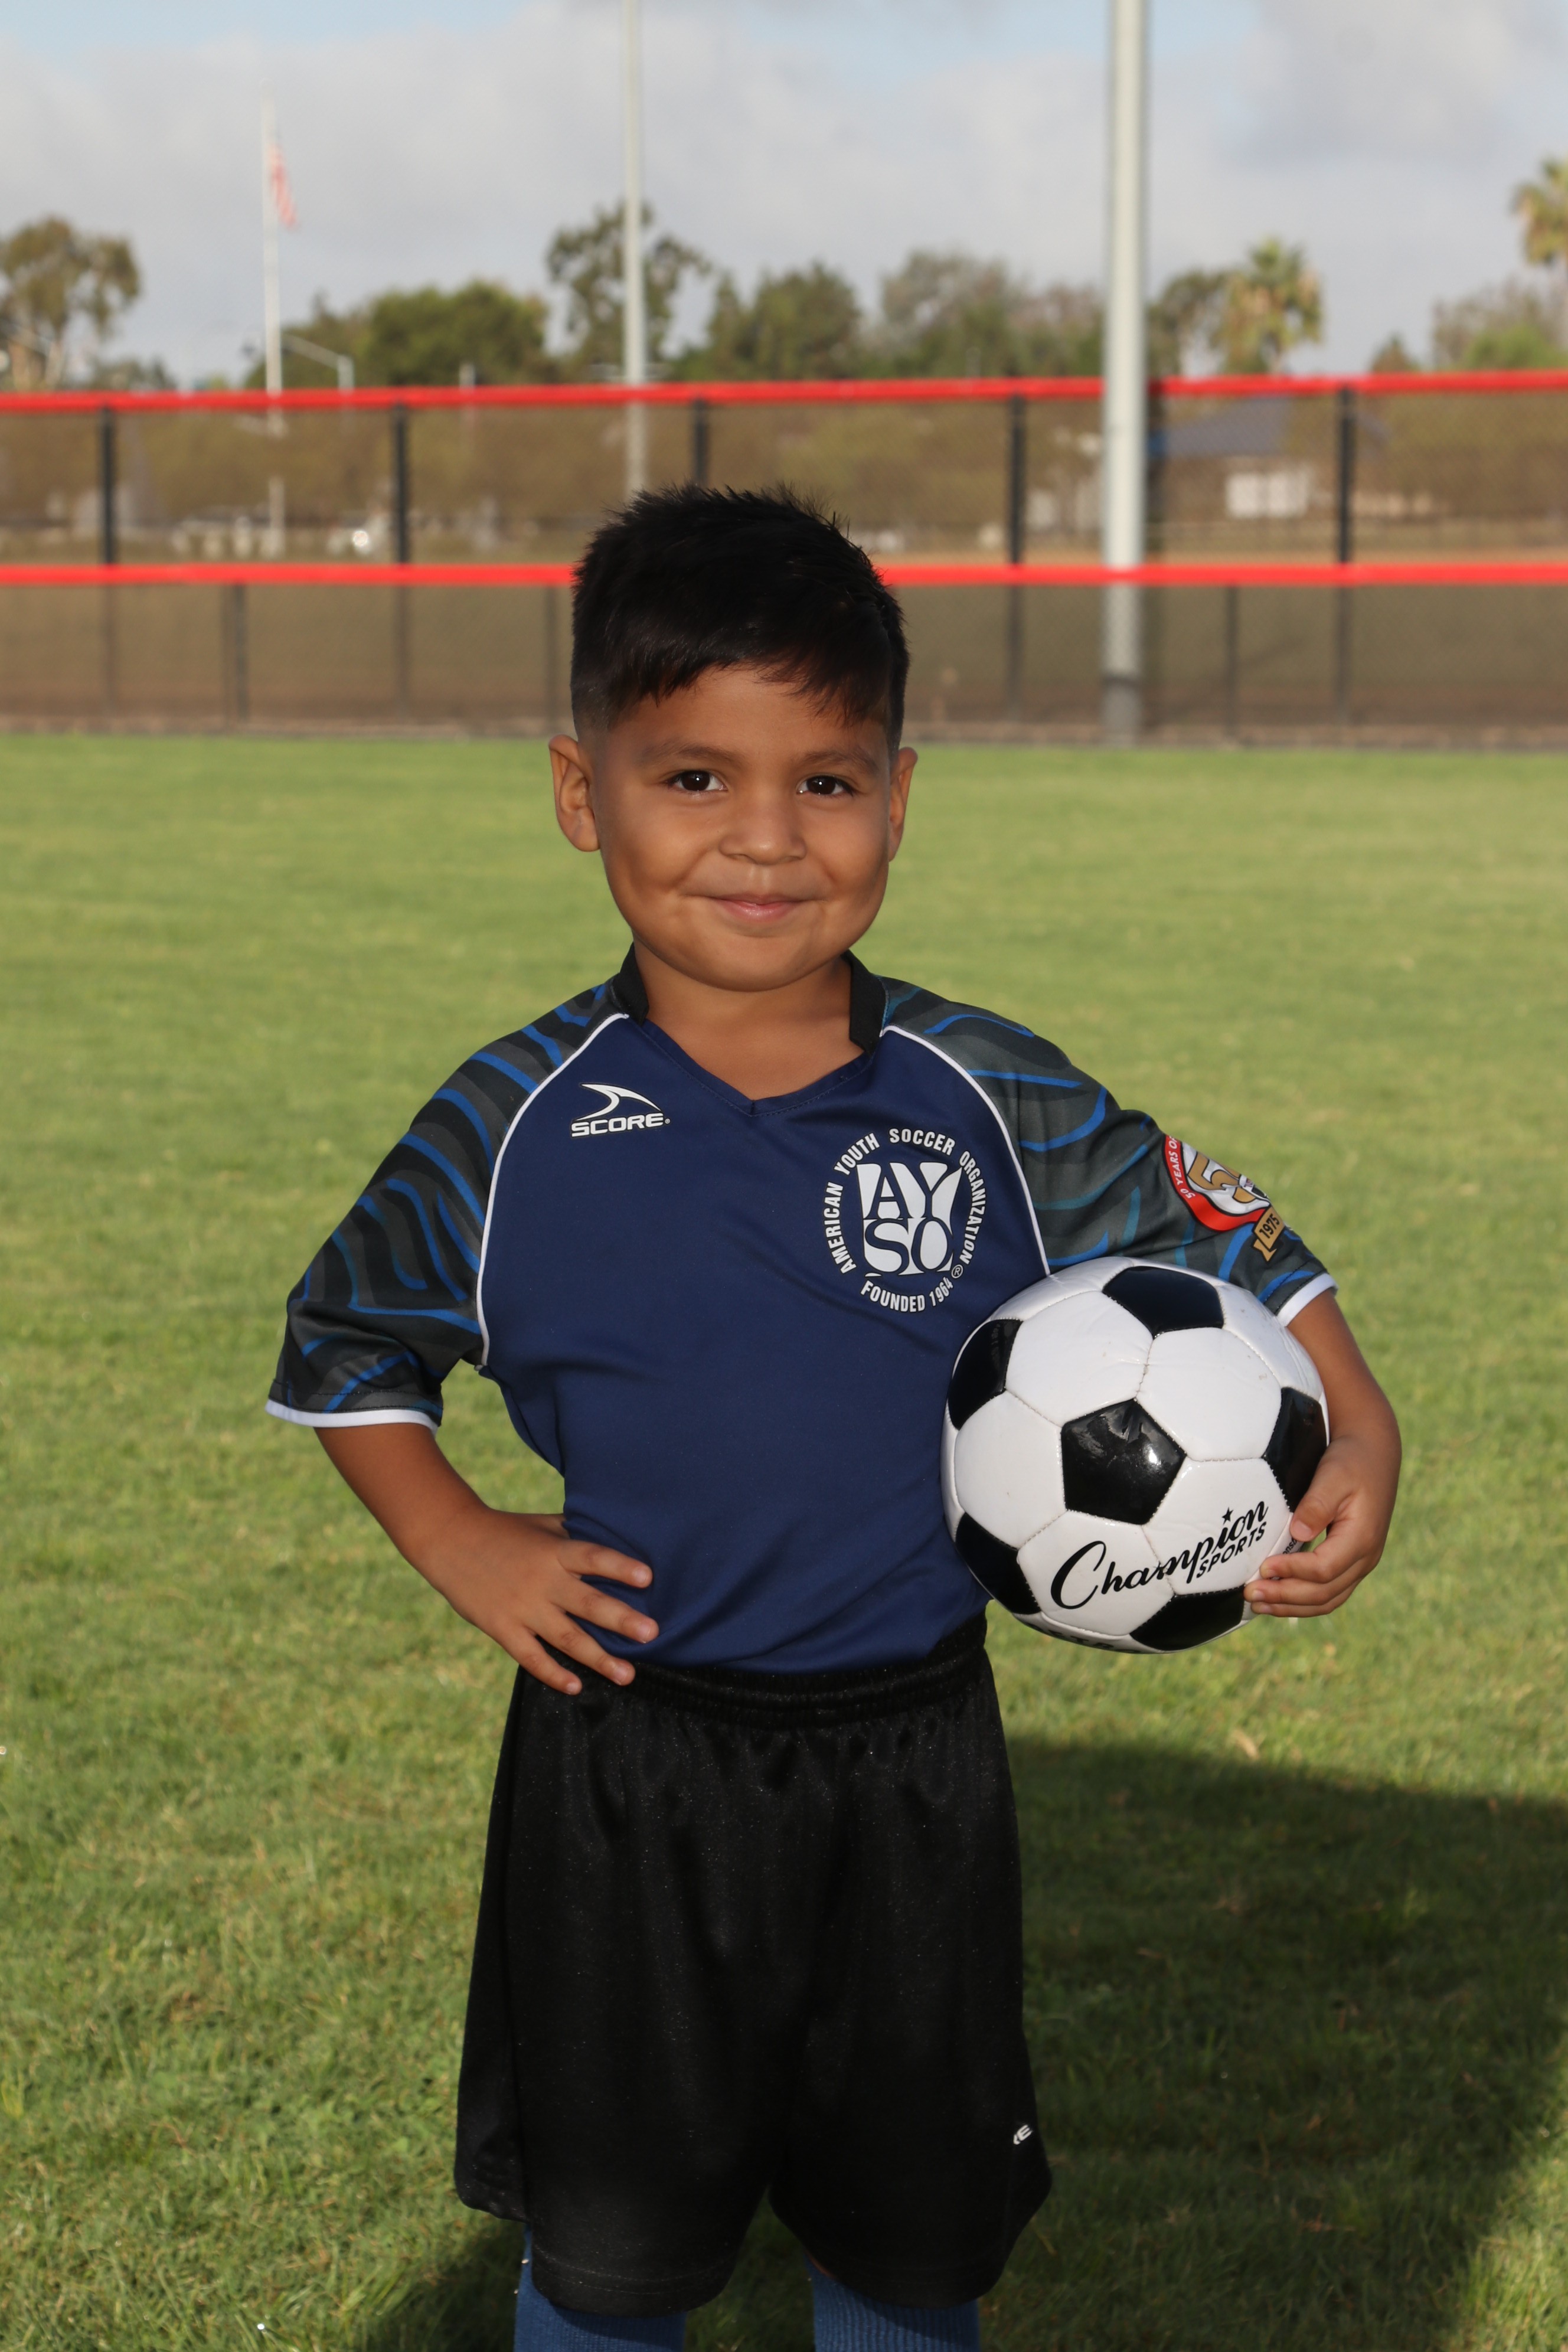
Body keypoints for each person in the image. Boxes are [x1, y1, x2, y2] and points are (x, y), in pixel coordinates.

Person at [266, 488, 1400, 2350]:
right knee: (612, 2260)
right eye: (693, 779)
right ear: (581, 794)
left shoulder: (985, 1089)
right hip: (629, 1767)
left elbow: (1224, 1230)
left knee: (909, 2248)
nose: (766, 840)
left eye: (828, 782)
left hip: (915, 1765)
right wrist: (460, 1538)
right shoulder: (510, 1122)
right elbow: (345, 1344)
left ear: (900, 793)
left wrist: (1360, 1423)